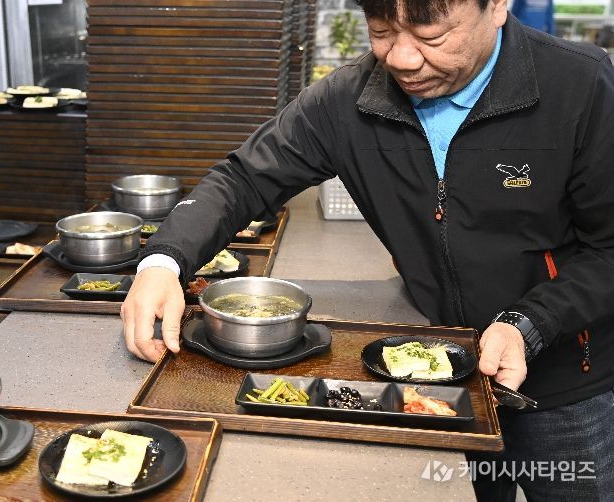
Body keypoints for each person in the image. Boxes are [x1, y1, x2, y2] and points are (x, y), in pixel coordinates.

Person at [122, 0, 614, 499]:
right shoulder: (349, 99)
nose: (401, 58)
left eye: (432, 36)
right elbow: (244, 179)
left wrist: (530, 323)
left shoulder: (579, 84)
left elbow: (609, 249)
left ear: (498, 6)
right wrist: (163, 262)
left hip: (565, 386)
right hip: (436, 372)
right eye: (381, 31)